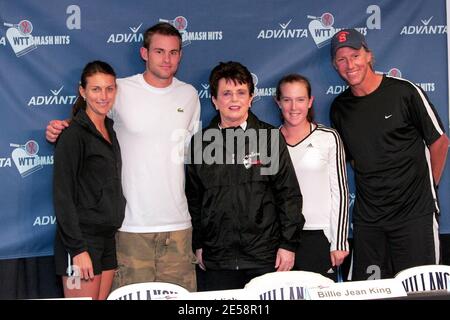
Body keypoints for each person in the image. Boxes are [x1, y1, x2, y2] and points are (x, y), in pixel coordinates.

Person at [47, 23, 200, 291]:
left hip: (177, 226)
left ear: (180, 56)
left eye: (174, 52)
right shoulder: (120, 89)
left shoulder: (189, 95)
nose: (167, 59)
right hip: (129, 226)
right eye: (159, 51)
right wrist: (61, 128)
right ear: (144, 53)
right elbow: (88, 124)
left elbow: (189, 153)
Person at [329, 29, 449, 280]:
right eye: (341, 59)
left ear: (369, 56)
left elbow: (439, 142)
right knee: (369, 293)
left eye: (355, 55)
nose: (350, 64)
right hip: (370, 222)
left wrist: (427, 188)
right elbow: (354, 158)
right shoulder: (339, 108)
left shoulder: (404, 92)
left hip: (414, 216)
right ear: (334, 65)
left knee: (422, 291)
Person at [185, 61, 304, 291]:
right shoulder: (200, 144)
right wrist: (198, 244)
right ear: (214, 100)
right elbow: (194, 200)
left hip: (265, 258)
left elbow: (288, 195)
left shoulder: (269, 138)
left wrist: (288, 244)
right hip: (218, 260)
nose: (234, 100)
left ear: (251, 98)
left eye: (241, 92)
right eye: (226, 93)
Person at [53, 60, 126, 300]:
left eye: (109, 88)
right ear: (82, 91)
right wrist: (78, 249)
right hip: (80, 242)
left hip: (106, 238)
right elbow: (63, 196)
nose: (103, 96)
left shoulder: (109, 129)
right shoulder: (73, 135)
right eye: (96, 89)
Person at [275, 74, 350, 281]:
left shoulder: (328, 138)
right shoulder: (270, 141)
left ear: (310, 102)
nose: (293, 107)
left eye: (300, 99)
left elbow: (341, 192)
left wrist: (339, 242)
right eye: (287, 99)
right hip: (280, 238)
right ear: (278, 102)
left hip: (319, 236)